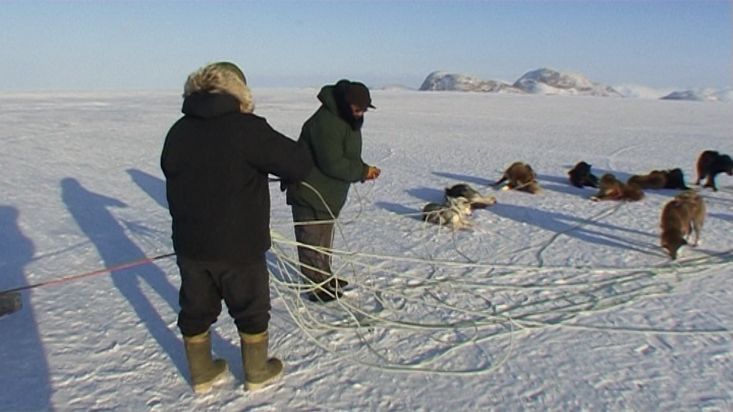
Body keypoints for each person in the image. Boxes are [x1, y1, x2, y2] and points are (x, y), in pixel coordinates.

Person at [161, 62, 313, 394]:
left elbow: (171, 168)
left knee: (196, 308)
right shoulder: (247, 128)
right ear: (240, 92)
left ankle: (202, 375)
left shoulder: (178, 130)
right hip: (239, 247)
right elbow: (299, 162)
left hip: (191, 246)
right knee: (251, 308)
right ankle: (256, 372)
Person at [285, 79, 381, 302]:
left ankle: (325, 277)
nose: (361, 114)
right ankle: (316, 287)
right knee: (311, 240)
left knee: (324, 240)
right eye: (358, 109)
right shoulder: (326, 123)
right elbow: (333, 163)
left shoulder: (346, 120)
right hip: (309, 193)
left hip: (327, 195)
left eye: (364, 110)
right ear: (345, 104)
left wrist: (362, 170)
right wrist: (362, 171)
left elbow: (347, 157)